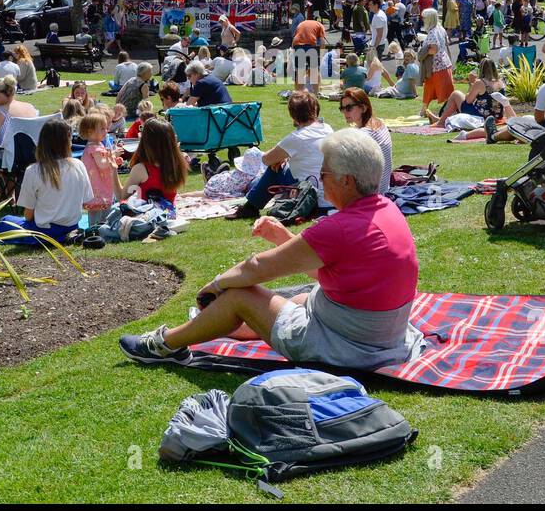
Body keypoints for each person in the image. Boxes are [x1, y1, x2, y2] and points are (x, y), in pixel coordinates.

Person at [121, 129, 423, 371]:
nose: (320, 181)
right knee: (304, 295)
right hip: (385, 337)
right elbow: (330, 269)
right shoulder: (387, 211)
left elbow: (257, 267)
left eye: (325, 174)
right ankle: (221, 321)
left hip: (349, 349)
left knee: (241, 293)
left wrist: (217, 284)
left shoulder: (341, 228)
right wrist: (283, 237)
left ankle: (164, 345)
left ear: (346, 181)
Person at [231, 91, 333, 219]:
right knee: (276, 166)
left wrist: (280, 158)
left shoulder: (296, 138)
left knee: (275, 168)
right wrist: (284, 156)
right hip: (330, 196)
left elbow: (266, 159)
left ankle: (250, 207)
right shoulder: (327, 128)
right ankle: (250, 206)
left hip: (310, 196)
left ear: (293, 115)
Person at [0, 119, 90, 246]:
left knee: (4, 222)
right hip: (71, 227)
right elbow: (85, 201)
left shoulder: (34, 170)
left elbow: (28, 216)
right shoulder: (79, 165)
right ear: (68, 141)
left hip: (44, 232)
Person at [338, 88, 392, 193]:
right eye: (342, 108)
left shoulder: (363, 135)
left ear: (363, 108)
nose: (345, 112)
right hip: (383, 189)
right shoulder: (379, 123)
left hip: (370, 195)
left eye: (349, 108)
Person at [122, 117, 188, 203]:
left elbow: (122, 196)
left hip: (147, 214)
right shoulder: (176, 164)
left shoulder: (141, 169)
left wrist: (112, 171)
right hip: (169, 213)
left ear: (146, 141)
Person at [78, 110, 120, 224]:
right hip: (97, 186)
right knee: (97, 208)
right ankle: (96, 229)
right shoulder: (94, 148)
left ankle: (101, 225)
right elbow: (102, 164)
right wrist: (112, 155)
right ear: (90, 131)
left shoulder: (98, 145)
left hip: (99, 183)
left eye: (106, 128)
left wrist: (113, 159)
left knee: (102, 207)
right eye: (102, 128)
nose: (106, 131)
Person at [417, 8, 453, 119]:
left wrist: (423, 49)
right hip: (444, 63)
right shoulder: (440, 28)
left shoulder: (432, 32)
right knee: (433, 88)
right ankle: (424, 110)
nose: (423, 20)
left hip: (436, 66)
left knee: (440, 90)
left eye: (424, 18)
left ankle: (449, 111)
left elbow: (434, 49)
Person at [291, 12, 327, 93]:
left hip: (297, 45)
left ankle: (298, 93)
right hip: (310, 45)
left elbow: (294, 39)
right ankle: (316, 93)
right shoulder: (319, 25)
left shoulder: (301, 24)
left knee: (299, 72)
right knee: (314, 71)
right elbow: (322, 42)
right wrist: (321, 55)